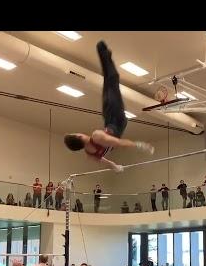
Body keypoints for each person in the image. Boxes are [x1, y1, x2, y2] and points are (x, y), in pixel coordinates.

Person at [63, 41, 154, 171]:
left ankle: (105, 54)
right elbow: (119, 144)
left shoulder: (90, 155)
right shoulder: (97, 137)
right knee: (111, 79)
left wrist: (114, 166)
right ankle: (102, 51)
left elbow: (104, 161)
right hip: (115, 116)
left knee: (111, 79)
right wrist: (139, 145)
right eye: (78, 133)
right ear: (79, 137)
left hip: (113, 120)